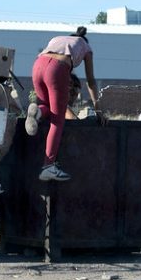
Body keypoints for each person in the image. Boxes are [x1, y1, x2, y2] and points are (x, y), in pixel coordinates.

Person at [26, 26, 102, 181]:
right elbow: (91, 81)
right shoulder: (86, 48)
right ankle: (48, 166)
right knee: (57, 120)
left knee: (47, 107)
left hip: (37, 65)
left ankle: (37, 112)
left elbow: (48, 58)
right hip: (56, 69)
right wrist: (98, 108)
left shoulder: (57, 39)